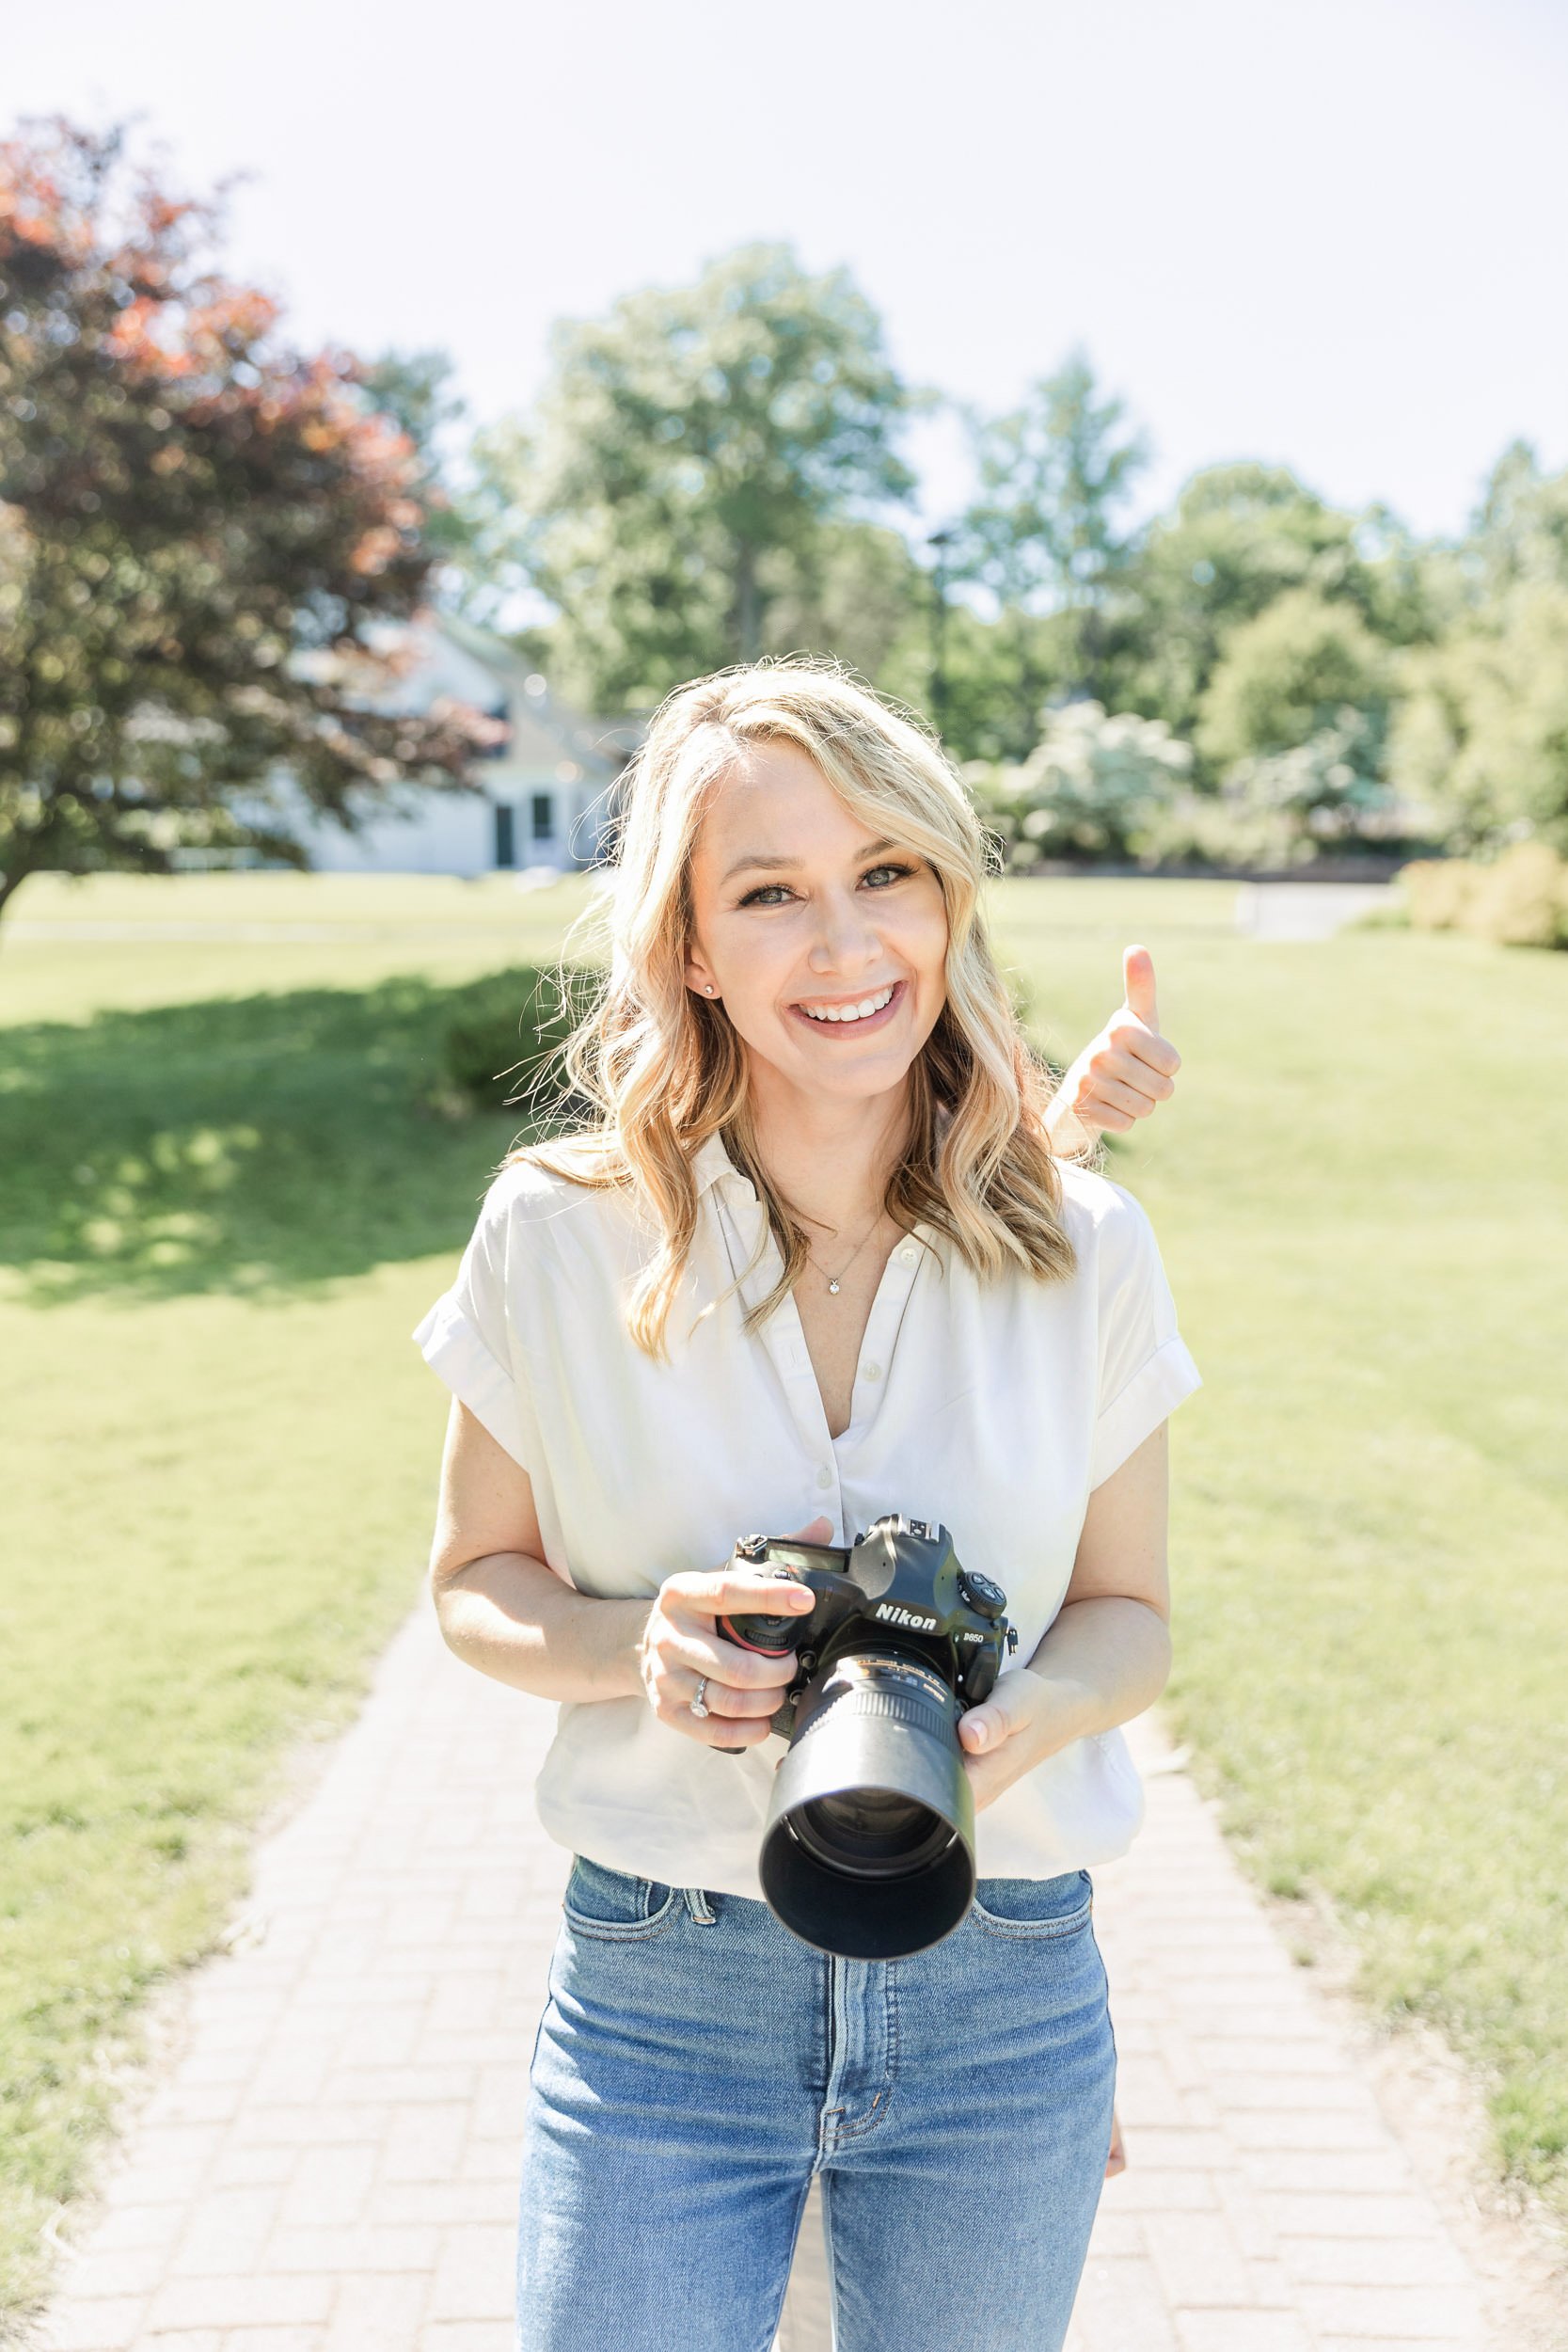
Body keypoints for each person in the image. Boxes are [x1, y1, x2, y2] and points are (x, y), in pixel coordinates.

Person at [413, 659, 1200, 2352]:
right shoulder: (559, 1231)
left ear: (944, 895)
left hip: (999, 1986)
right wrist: (642, 1646)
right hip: (661, 1995)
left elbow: (1129, 1619)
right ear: (690, 945)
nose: (846, 950)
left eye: (886, 874)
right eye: (770, 894)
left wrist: (1014, 1724)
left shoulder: (1089, 1245)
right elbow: (477, 1584)